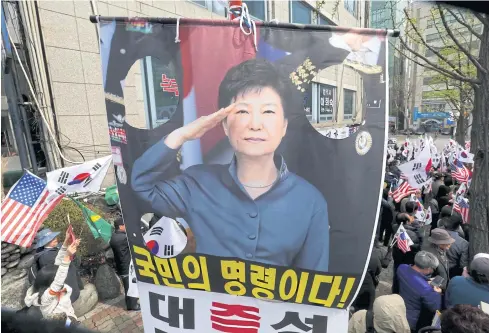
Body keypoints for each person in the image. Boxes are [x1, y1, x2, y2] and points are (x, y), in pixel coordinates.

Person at [131, 59, 329, 271]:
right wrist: (181, 136)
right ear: (224, 125)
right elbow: (142, 185)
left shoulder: (310, 201)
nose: (255, 125)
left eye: (268, 112)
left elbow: (313, 282)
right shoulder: (197, 182)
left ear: (284, 127)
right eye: (243, 112)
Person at [24, 229, 80, 325]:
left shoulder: (44, 289)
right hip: (63, 325)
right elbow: (59, 278)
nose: (57, 276)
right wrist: (67, 257)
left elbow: (57, 263)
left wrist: (66, 242)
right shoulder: (46, 297)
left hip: (68, 316)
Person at [30, 228, 82, 303]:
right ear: (44, 242)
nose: (55, 239)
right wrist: (69, 254)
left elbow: (63, 253)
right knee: (67, 304)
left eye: (54, 237)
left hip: (67, 282)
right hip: (63, 286)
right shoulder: (46, 256)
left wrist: (71, 243)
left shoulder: (53, 249)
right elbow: (57, 271)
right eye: (51, 238)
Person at [396, 251, 442, 332]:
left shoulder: (401, 268)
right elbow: (435, 307)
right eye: (432, 269)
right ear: (427, 269)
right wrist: (436, 293)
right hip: (411, 321)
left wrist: (425, 281)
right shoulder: (427, 289)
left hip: (398, 310)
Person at [109, 218, 140, 311]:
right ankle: (132, 305)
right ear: (121, 226)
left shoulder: (114, 236)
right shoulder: (123, 238)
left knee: (127, 286)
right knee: (130, 287)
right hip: (127, 266)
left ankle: (130, 303)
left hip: (121, 265)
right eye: (125, 225)